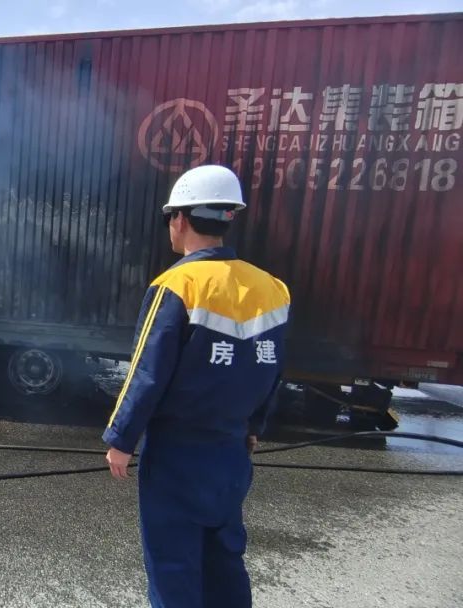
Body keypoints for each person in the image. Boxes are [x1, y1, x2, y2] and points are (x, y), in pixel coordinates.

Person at [103, 165, 290, 608]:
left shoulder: (177, 284)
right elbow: (273, 369)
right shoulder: (273, 289)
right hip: (230, 454)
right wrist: (254, 426)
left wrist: (121, 439)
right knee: (225, 560)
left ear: (181, 220)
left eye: (171, 217)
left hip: (177, 457)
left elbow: (147, 372)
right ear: (228, 217)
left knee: (174, 568)